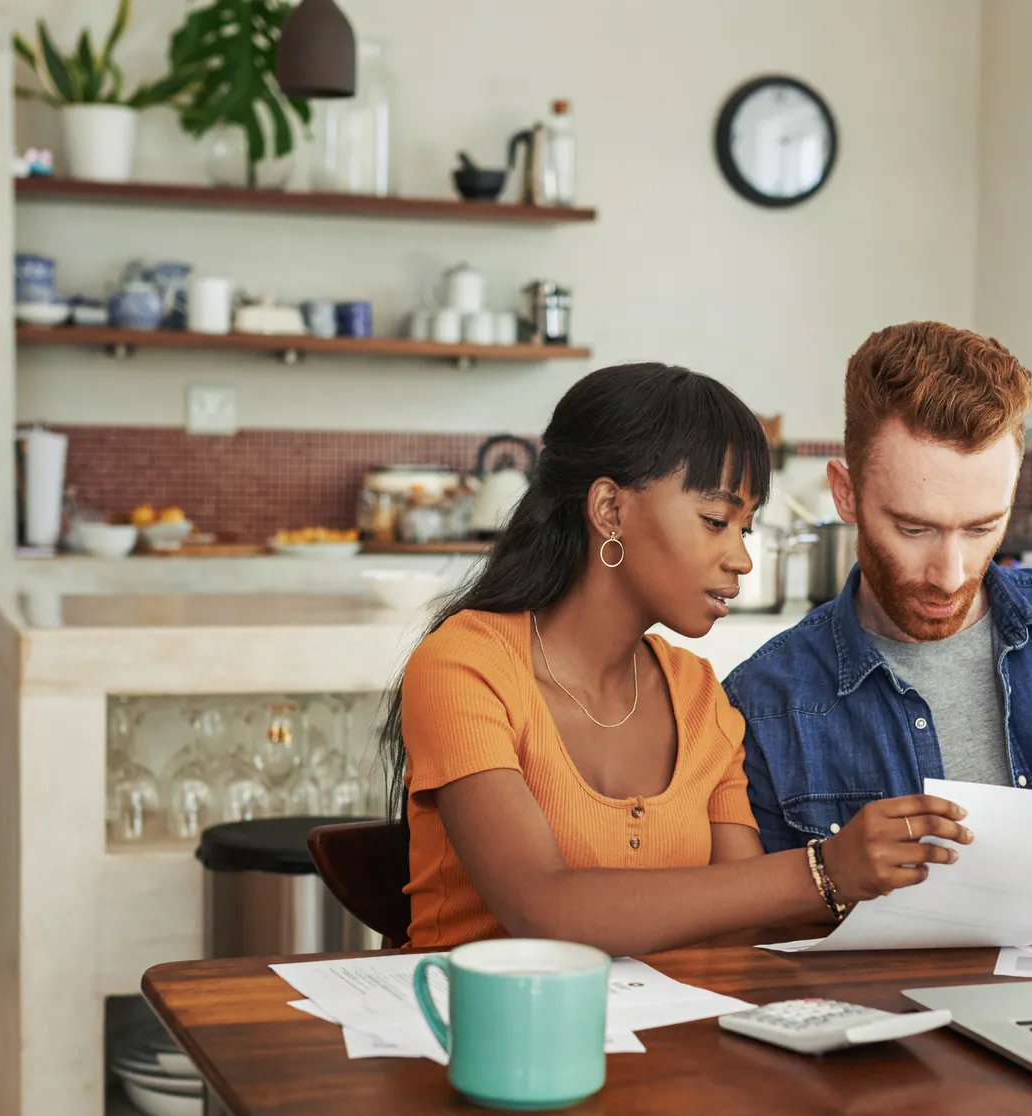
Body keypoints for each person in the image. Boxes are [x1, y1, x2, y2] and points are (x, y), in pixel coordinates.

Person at [382, 362, 977, 956]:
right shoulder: (466, 665)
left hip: (668, 1040)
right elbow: (542, 910)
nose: (741, 559)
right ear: (610, 510)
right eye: (716, 521)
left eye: (744, 529)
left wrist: (964, 914)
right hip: (472, 1035)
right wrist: (825, 869)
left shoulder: (698, 694)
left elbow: (747, 920)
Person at [722, 321, 1032, 925]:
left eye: (981, 527)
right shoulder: (762, 703)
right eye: (914, 529)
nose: (950, 572)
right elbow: (763, 952)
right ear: (845, 494)